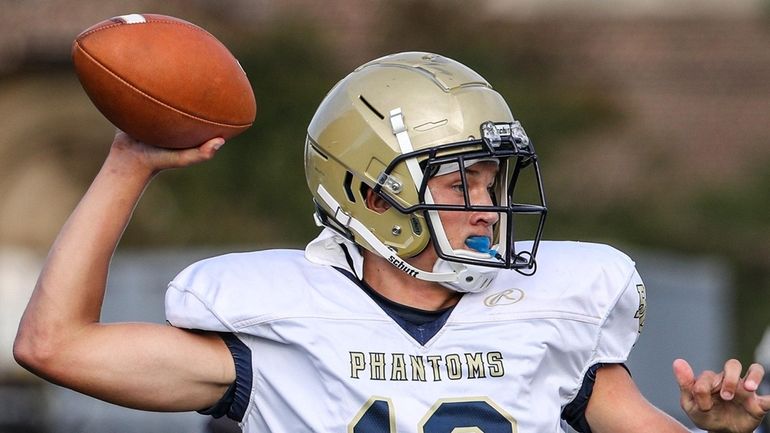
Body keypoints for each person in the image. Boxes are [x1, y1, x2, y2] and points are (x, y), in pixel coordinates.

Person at [13, 51, 769, 433]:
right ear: (371, 194)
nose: (491, 206)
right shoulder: (276, 324)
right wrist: (128, 161)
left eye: (496, 180)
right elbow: (53, 346)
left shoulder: (554, 311)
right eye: (461, 181)